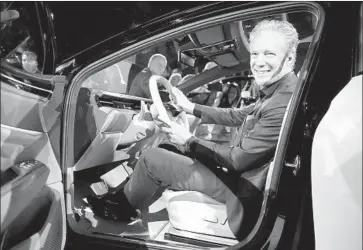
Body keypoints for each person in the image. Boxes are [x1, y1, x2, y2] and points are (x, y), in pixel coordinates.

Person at [97, 19, 299, 240]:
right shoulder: (278, 92)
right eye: (255, 54)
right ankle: (128, 193)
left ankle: (121, 210)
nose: (259, 62)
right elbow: (236, 116)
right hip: (239, 179)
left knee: (150, 157)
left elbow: (237, 160)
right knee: (168, 145)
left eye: (269, 54)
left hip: (240, 193)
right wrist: (189, 107)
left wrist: (189, 140)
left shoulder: (281, 101)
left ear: (289, 58)